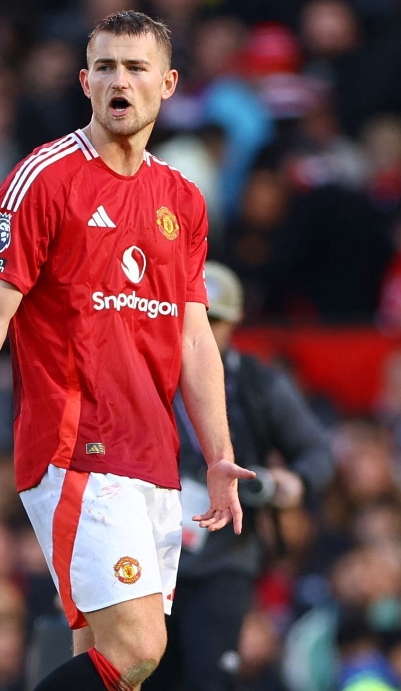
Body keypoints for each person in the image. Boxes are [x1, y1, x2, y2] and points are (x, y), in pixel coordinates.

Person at [0, 11, 256, 691]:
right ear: (85, 82)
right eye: (105, 67)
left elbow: (194, 337)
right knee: (139, 647)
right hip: (76, 446)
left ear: (168, 84)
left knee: (113, 669)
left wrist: (218, 454)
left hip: (153, 454)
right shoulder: (44, 176)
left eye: (136, 67)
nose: (119, 80)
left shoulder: (182, 199)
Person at [146, 262, 333, 691]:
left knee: (210, 677)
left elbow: (317, 450)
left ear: (235, 322)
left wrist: (296, 482)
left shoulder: (257, 385)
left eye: (213, 320)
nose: (202, 329)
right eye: (192, 316)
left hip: (224, 556)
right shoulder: (146, 374)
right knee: (147, 673)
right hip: (151, 552)